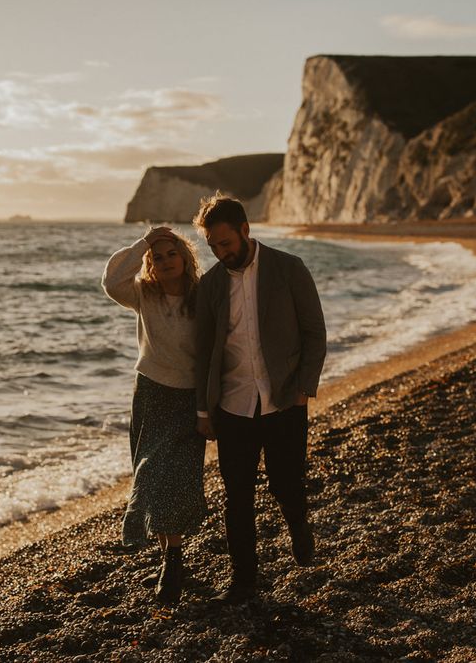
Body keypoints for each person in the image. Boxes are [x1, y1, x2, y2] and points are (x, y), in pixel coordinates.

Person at [193, 194, 327, 604]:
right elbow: (203, 350)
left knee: (286, 484)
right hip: (233, 406)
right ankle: (244, 580)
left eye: (225, 243)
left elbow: (314, 332)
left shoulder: (289, 269)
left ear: (245, 230)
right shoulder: (211, 285)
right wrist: (203, 409)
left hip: (286, 400)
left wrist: (305, 388)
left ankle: (299, 527)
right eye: (213, 246)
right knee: (238, 496)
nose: (220, 252)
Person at [101, 226, 206, 605]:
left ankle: (172, 559)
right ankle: (170, 557)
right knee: (152, 476)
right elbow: (112, 280)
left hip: (191, 397)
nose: (164, 261)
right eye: (156, 257)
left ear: (185, 257)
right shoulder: (144, 294)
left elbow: (220, 351)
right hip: (150, 394)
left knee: (178, 477)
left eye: (170, 254)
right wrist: (143, 242)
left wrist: (211, 406)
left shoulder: (203, 296)